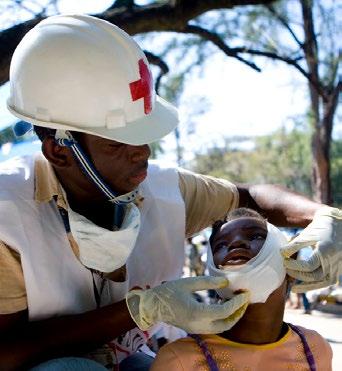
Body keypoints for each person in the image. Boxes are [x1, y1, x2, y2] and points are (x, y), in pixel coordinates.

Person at [0, 14, 340, 370]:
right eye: (120, 142)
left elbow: (251, 195)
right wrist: (142, 309)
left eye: (143, 133)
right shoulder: (10, 216)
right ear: (59, 150)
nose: (143, 152)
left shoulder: (162, 190)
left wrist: (324, 216)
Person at [151, 208, 333, 370]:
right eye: (221, 245)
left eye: (256, 236)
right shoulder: (179, 360)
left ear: (292, 262)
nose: (235, 243)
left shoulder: (315, 348)